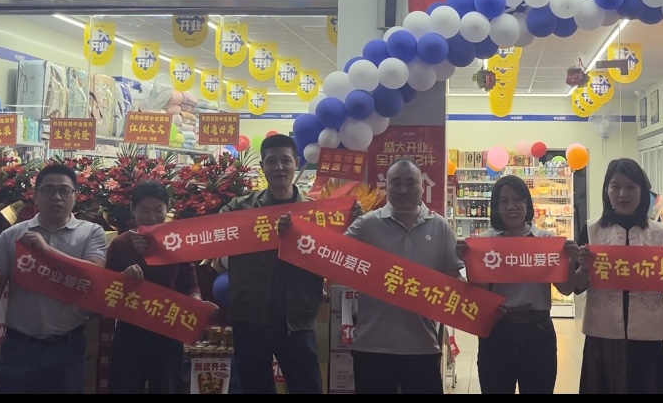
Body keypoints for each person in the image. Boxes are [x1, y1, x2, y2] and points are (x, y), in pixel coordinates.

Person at [345, 158, 464, 395]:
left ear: (422, 186)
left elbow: (455, 280)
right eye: (396, 183)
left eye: (410, 183)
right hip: (372, 346)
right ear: (386, 186)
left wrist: (482, 300)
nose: (402, 190)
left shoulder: (439, 226)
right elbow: (331, 254)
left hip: (422, 346)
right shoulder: (366, 225)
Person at [219, 133, 326, 395]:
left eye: (285, 160)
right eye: (272, 161)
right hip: (251, 319)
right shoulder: (239, 210)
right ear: (262, 166)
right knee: (255, 387)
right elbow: (215, 244)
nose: (279, 167)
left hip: (298, 320)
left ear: (296, 163)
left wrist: (349, 220)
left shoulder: (317, 214)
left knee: (307, 387)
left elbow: (331, 255)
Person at [0, 163, 108, 394]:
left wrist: (47, 251)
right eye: (48, 190)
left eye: (64, 190)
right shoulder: (11, 236)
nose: (57, 197)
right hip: (20, 346)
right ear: (36, 196)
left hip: (67, 346)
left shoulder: (91, 232)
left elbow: (94, 276)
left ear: (75, 196)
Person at [456, 174, 578, 395]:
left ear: (527, 203)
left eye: (517, 199)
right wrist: (469, 261)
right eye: (503, 201)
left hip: (537, 331)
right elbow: (481, 293)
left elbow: (566, 289)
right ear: (495, 207)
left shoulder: (546, 241)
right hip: (497, 330)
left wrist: (569, 262)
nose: (511, 207)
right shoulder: (484, 243)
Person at [574, 158, 663, 394]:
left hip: (646, 337)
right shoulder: (591, 230)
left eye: (631, 187)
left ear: (642, 191)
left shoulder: (657, 233)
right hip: (602, 335)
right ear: (606, 190)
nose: (623, 194)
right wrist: (584, 267)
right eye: (616, 186)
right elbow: (577, 286)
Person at [106, 181, 218, 394]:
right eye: (145, 211)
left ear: (168, 209)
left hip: (168, 328)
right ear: (132, 209)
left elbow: (190, 284)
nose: (152, 217)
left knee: (167, 386)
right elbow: (107, 288)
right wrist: (123, 278)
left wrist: (196, 302)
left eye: (158, 210)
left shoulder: (177, 242)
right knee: (125, 385)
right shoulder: (120, 244)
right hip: (131, 331)